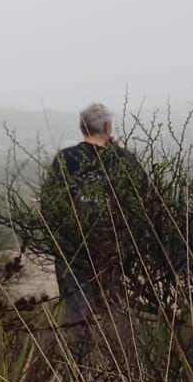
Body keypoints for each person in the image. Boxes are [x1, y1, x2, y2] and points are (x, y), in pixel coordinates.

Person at [38, 101, 144, 321]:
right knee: (116, 309)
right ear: (107, 127)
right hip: (116, 249)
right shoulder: (123, 160)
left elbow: (49, 204)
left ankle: (80, 344)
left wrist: (61, 241)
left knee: (77, 312)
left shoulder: (66, 158)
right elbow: (143, 200)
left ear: (82, 127)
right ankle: (117, 342)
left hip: (73, 250)